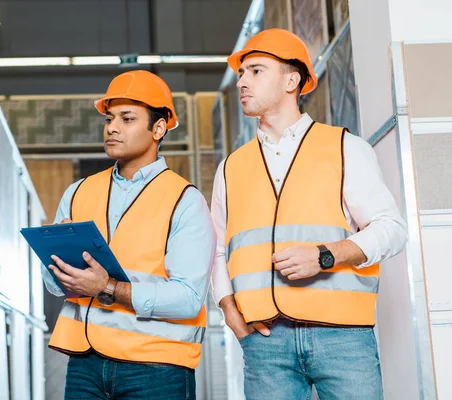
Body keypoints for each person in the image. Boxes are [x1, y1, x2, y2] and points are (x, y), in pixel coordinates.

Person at [210, 28, 408, 399]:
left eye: (255, 71)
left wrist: (324, 255)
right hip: (265, 342)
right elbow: (219, 249)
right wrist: (227, 308)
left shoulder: (345, 147)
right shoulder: (230, 168)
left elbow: (391, 229)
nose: (242, 82)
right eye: (241, 74)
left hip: (342, 338)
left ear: (292, 80)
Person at [42, 70, 215, 399]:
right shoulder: (78, 192)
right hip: (85, 365)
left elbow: (189, 299)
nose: (112, 127)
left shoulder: (185, 200)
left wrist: (106, 287)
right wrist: (57, 259)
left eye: (127, 118)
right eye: (109, 118)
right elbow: (52, 284)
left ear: (158, 128)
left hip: (157, 368)